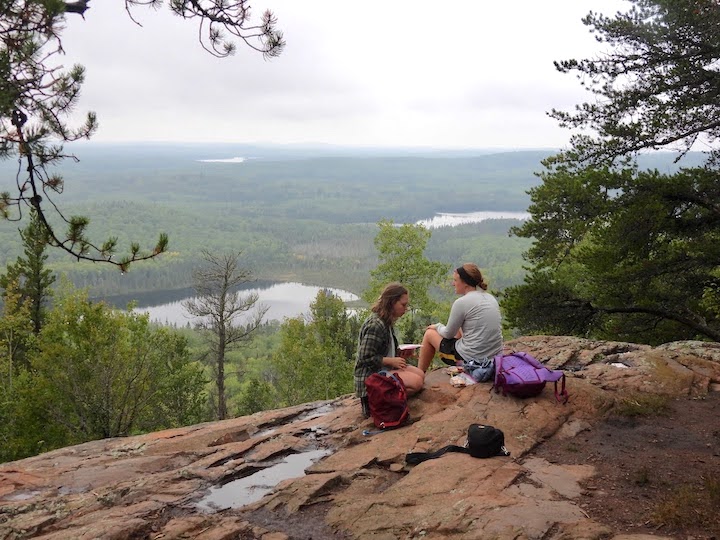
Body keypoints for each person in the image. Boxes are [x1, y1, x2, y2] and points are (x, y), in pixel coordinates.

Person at [354, 282, 425, 417]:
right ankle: (376, 400)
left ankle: (390, 396)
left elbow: (384, 350)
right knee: (416, 382)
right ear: (391, 303)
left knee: (420, 374)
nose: (406, 308)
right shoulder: (375, 325)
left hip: (382, 370)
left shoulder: (386, 321)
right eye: (403, 305)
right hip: (370, 377)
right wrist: (390, 361)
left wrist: (400, 354)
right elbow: (364, 358)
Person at [417, 263, 502, 373]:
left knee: (429, 334)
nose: (453, 284)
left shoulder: (461, 303)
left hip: (471, 358)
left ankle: (420, 373)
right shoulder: (490, 298)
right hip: (493, 357)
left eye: (455, 280)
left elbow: (448, 334)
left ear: (465, 283)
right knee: (462, 325)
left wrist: (437, 326)